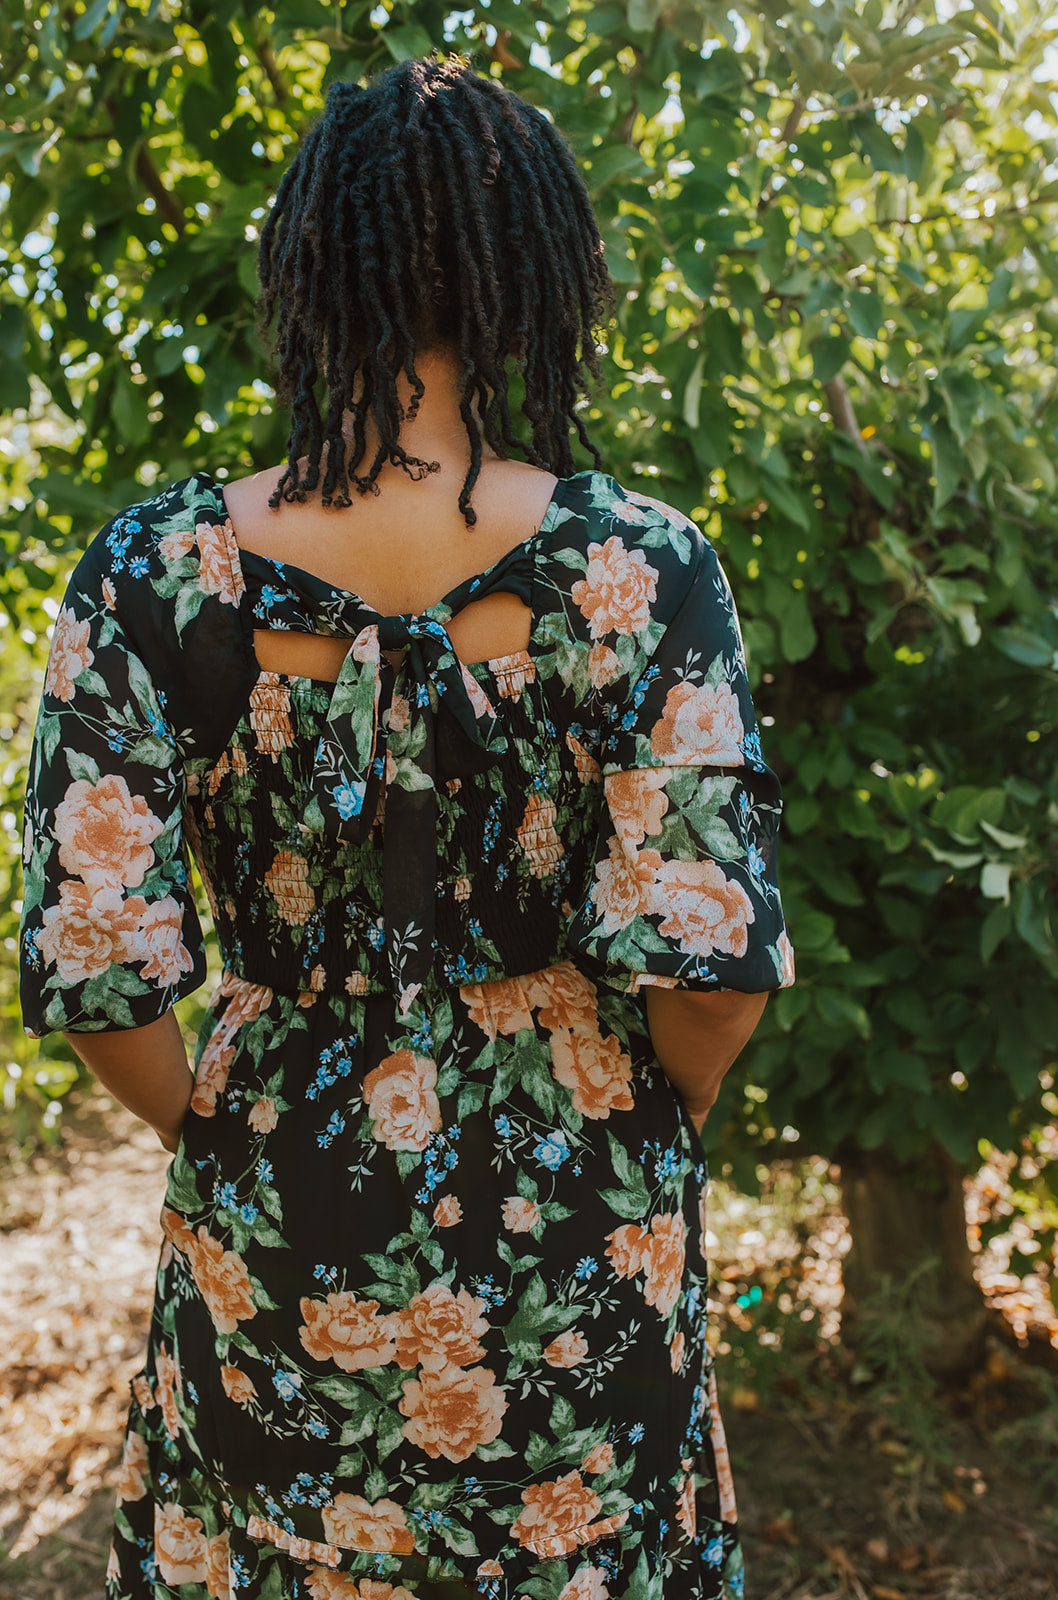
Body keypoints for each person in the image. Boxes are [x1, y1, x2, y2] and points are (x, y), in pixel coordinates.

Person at [19, 55, 793, 1600]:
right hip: (584, 1208)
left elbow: (98, 971)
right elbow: (712, 973)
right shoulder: (639, 568)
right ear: (539, 275)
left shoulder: (154, 571)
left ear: (316, 261)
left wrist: (237, 1129)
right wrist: (622, 1125)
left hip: (278, 1220)